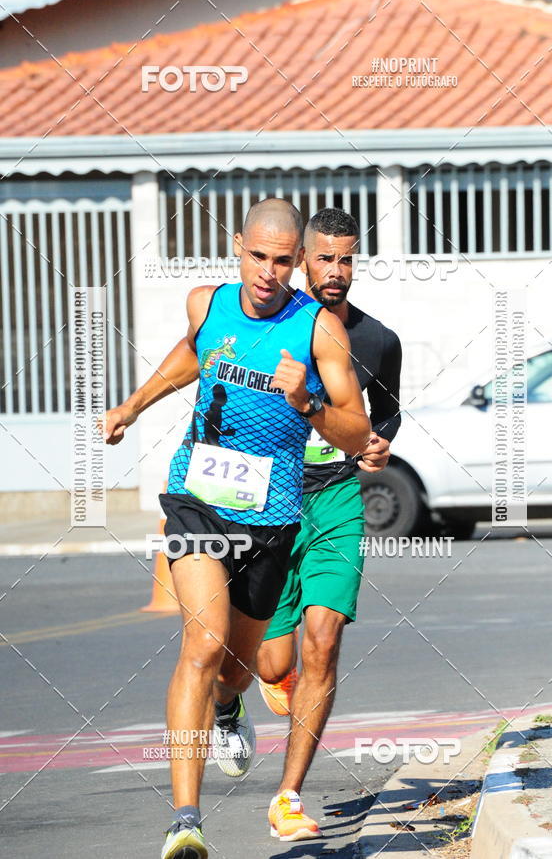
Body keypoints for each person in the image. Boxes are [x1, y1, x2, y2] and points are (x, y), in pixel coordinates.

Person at [104, 198, 370, 859]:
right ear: (237, 247)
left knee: (240, 670)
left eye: (282, 261)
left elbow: (357, 432)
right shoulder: (208, 303)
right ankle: (185, 820)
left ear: (298, 261)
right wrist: (132, 407)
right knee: (203, 642)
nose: (268, 273)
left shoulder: (319, 332)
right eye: (258, 257)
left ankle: (228, 706)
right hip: (197, 499)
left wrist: (306, 402)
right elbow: (189, 357)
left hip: (273, 520)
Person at [257, 207, 402, 841]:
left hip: (338, 499)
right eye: (324, 258)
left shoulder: (377, 340)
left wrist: (381, 442)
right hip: (272, 502)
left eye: (346, 259)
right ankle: (241, 691)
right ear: (302, 260)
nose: (336, 271)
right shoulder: (267, 325)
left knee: (324, 639)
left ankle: (288, 796)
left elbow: (387, 411)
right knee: (270, 664)